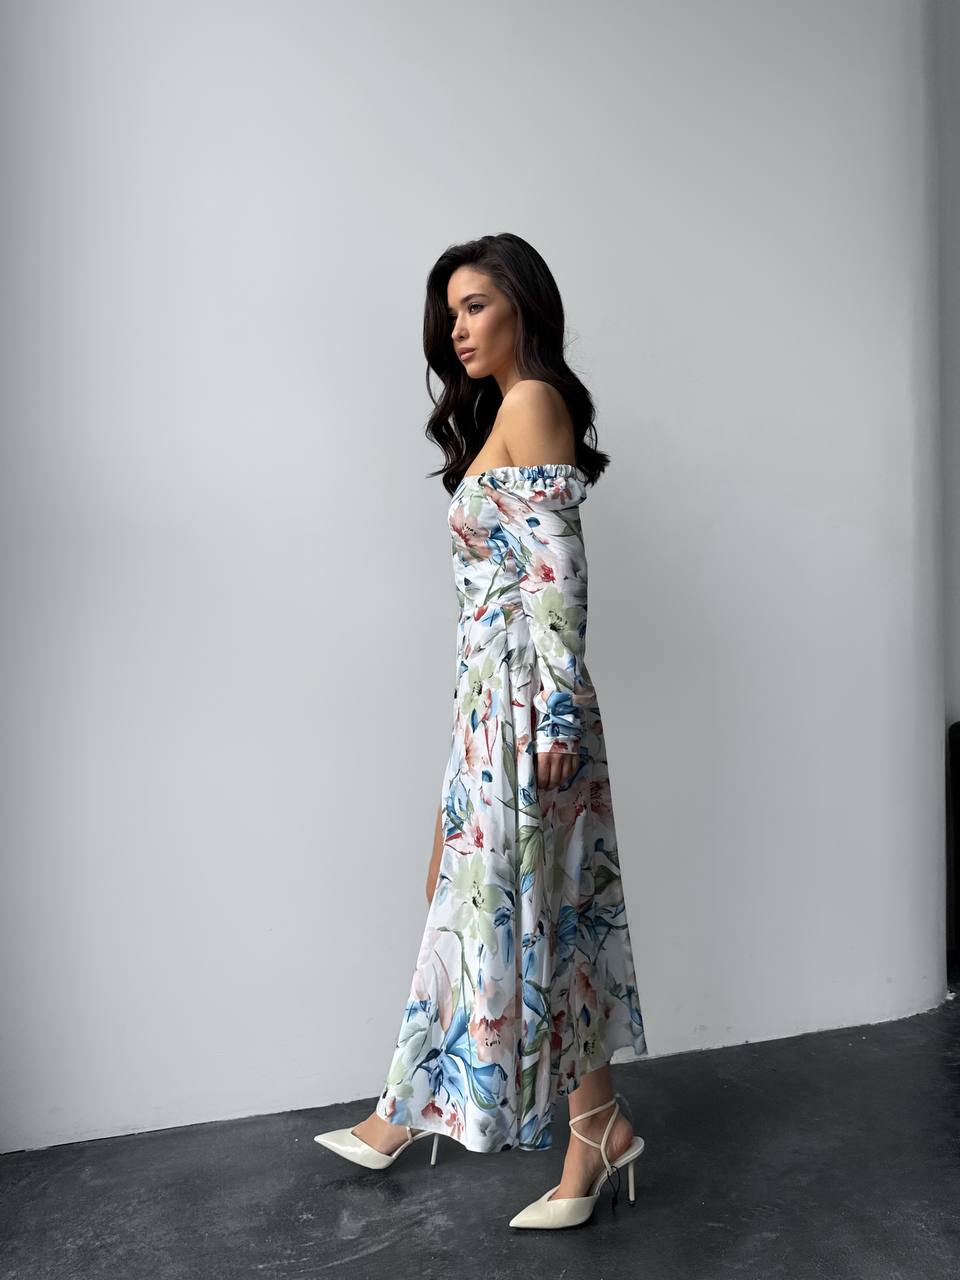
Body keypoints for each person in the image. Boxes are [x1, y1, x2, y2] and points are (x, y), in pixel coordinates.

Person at [315, 233, 649, 1229]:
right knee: (542, 910)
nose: (455, 328)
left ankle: (397, 1112)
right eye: (448, 312)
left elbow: (559, 575)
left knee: (499, 906)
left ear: (521, 305)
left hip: (529, 712)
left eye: (473, 305)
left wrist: (550, 718)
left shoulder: (534, 400)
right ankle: (597, 1124)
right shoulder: (508, 410)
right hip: (491, 705)